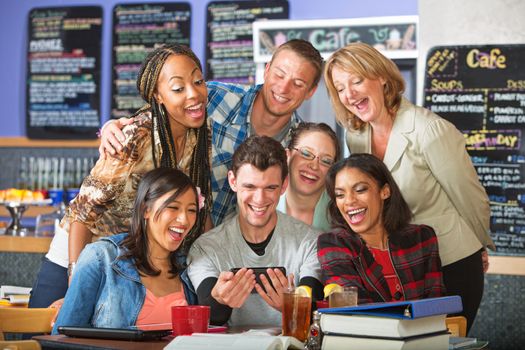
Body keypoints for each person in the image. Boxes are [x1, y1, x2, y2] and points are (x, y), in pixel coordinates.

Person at [324, 42, 494, 332]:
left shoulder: (429, 130)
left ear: (382, 78)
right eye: (340, 88)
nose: (349, 94)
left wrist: (480, 244)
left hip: (451, 260)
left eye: (357, 81)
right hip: (402, 265)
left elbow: (470, 196)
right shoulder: (357, 136)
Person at [29, 44, 212, 310]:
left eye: (198, 81)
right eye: (178, 88)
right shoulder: (134, 138)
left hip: (127, 264)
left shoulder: (200, 135)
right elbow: (82, 215)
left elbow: (197, 204)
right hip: (78, 255)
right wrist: (76, 280)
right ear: (157, 96)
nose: (194, 94)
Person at [99, 39, 324, 226]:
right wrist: (112, 126)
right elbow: (158, 112)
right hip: (166, 238)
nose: (283, 88)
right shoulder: (214, 97)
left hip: (224, 256)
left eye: (298, 83)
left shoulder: (299, 144)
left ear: (311, 91)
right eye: (279, 75)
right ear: (266, 70)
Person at [187, 136, 323, 327]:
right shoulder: (206, 248)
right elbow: (213, 316)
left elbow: (317, 312)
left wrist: (292, 306)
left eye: (270, 188)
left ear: (284, 185)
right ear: (233, 181)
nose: (259, 199)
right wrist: (220, 300)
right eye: (250, 186)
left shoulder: (310, 241)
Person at [52, 167, 199, 332]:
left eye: (192, 210)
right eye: (173, 207)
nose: (184, 219)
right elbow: (62, 337)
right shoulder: (101, 257)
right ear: (146, 210)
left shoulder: (191, 266)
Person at [317, 153, 446, 303]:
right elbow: (354, 308)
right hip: (366, 327)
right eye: (340, 195)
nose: (349, 201)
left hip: (425, 327)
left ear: (385, 191)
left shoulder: (422, 238)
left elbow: (436, 304)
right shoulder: (333, 244)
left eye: (360, 190)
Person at [277, 122, 341, 231]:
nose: (314, 166)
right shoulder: (262, 199)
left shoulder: (342, 214)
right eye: (306, 154)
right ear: (287, 156)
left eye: (326, 161)